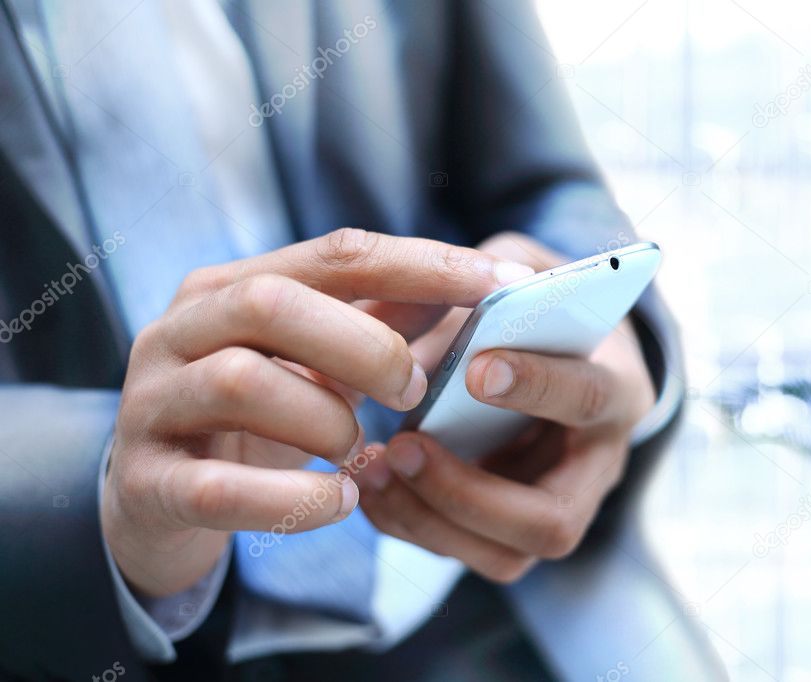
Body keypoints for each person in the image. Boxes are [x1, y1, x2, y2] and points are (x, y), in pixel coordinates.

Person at [0, 1, 721, 680]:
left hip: (504, 600)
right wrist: (99, 498)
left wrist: (612, 345)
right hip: (87, 630)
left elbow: (546, 184)